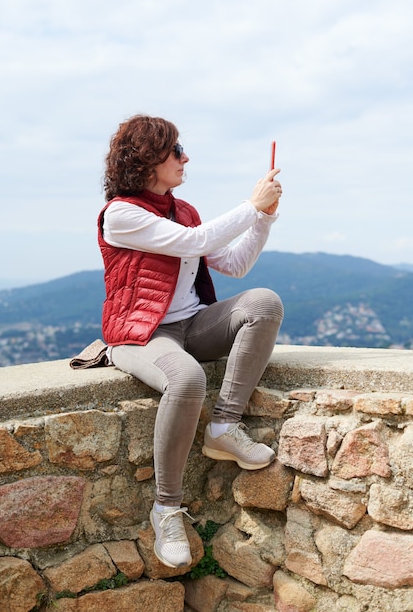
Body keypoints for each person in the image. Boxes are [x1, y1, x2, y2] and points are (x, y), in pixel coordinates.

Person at [97, 114, 284, 569]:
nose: (185, 157)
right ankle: (167, 509)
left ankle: (223, 428)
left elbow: (235, 265)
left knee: (263, 302)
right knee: (186, 379)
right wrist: (250, 207)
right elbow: (193, 242)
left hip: (192, 326)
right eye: (176, 150)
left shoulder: (184, 211)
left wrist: (264, 220)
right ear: (146, 159)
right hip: (141, 334)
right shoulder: (121, 214)